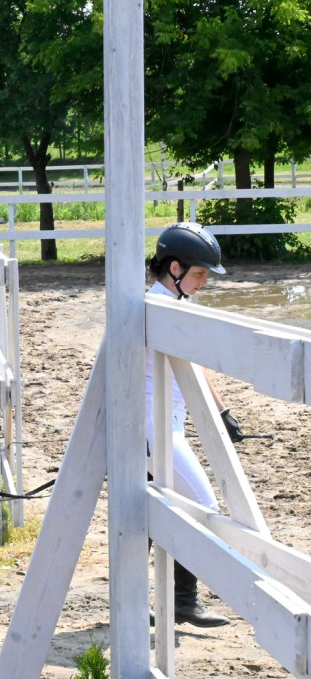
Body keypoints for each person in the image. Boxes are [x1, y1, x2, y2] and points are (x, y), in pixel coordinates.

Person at [145, 222, 233, 627]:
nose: (203, 284)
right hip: (152, 429)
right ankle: (184, 600)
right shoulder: (156, 307)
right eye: (199, 275)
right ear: (175, 268)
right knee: (202, 507)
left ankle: (160, 599)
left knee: (147, 515)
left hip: (166, 425)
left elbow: (192, 366)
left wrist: (221, 412)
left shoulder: (177, 304)